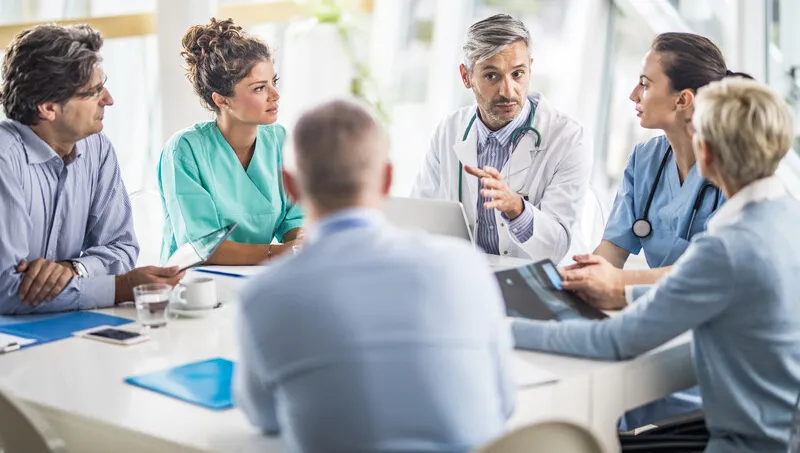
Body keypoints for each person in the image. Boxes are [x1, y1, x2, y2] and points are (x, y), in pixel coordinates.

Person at [514, 77, 800, 453]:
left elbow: (614, 342)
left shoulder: (725, 247)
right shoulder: (786, 217)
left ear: (706, 153)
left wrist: (504, 328)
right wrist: (630, 293)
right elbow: (727, 290)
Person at [235, 99, 515, 453]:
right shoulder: (466, 267)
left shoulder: (263, 296)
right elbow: (503, 404)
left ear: (290, 186)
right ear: (387, 179)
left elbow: (264, 417)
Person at [560, 33, 749, 430]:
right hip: (655, 321)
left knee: (603, 405)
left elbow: (709, 273)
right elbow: (612, 249)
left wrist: (618, 284)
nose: (633, 94)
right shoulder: (645, 159)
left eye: (645, 83)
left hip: (707, 345)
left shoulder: (731, 169)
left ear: (684, 100)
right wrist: (582, 276)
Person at [0, 24, 183, 315]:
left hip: (65, 328)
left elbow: (122, 248)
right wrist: (120, 287)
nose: (108, 99)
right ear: (48, 107)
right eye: (93, 91)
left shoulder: (96, 148)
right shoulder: (4, 159)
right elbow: (6, 290)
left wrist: (75, 269)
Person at [411, 14, 592, 263]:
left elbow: (559, 246)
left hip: (538, 285)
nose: (508, 91)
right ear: (466, 77)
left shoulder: (568, 139)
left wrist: (517, 209)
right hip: (469, 278)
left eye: (517, 74)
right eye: (491, 76)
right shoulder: (448, 130)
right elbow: (420, 216)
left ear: (530, 68)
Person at [158, 18, 303, 266]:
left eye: (274, 83)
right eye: (259, 88)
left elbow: (295, 218)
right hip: (195, 284)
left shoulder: (280, 140)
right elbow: (202, 248)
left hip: (258, 277)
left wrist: (300, 244)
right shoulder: (185, 151)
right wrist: (279, 253)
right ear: (222, 100)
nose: (275, 95)